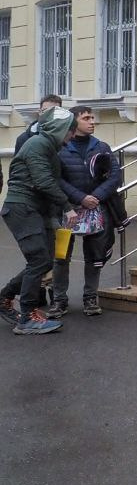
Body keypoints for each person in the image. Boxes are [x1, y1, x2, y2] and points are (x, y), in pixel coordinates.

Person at [0, 106, 78, 334]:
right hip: (22, 208)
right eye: (70, 131)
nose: (72, 136)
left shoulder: (47, 146)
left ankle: (5, 298)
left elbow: (45, 184)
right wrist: (67, 207)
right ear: (59, 129)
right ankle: (26, 318)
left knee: (43, 261)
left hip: (33, 209)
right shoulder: (38, 145)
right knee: (39, 261)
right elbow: (43, 181)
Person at [49, 106, 122, 319]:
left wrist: (95, 197)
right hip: (66, 209)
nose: (92, 121)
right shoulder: (60, 147)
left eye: (92, 117)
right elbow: (56, 178)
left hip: (95, 209)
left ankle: (90, 297)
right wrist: (80, 198)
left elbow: (115, 176)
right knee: (61, 256)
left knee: (94, 254)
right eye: (86, 118)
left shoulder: (101, 146)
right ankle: (59, 300)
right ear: (73, 123)